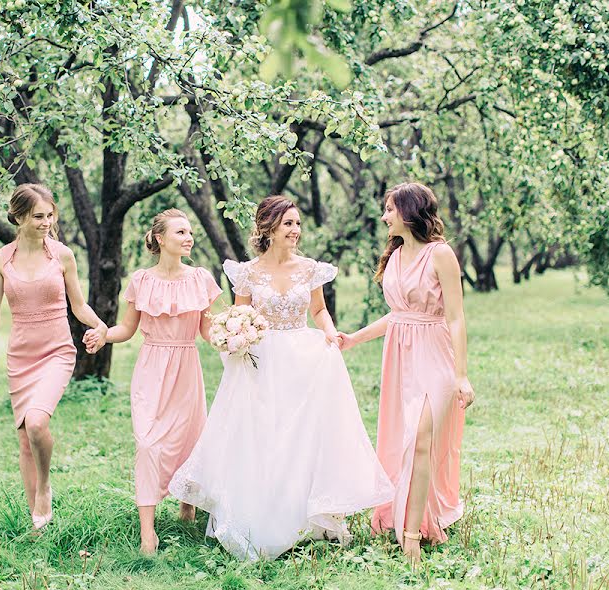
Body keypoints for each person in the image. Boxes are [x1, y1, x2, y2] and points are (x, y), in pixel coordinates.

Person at [169, 195, 393, 561]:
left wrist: (331, 332)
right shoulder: (247, 273)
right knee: (260, 434)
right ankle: (257, 515)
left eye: (298, 223)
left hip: (302, 358)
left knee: (300, 435)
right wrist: (235, 335)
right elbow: (240, 314)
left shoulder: (310, 269)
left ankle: (302, 516)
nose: (296, 230)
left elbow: (319, 310)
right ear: (269, 227)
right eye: (288, 223)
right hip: (259, 358)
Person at [339, 182, 475, 567]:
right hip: (399, 357)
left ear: (409, 211)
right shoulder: (395, 256)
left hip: (435, 355)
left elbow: (456, 316)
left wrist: (462, 375)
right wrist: (354, 339)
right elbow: (397, 314)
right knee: (402, 440)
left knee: (420, 438)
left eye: (389, 209)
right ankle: (403, 519)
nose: (384, 216)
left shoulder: (441, 254)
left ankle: (413, 536)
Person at [0, 184, 107, 530]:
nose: (47, 222)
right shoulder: (1, 259)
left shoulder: (61, 255)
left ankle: (44, 486)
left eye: (50, 215)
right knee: (25, 442)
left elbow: (78, 305)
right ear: (18, 217)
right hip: (20, 356)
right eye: (38, 216)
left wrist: (102, 327)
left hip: (57, 352)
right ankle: (37, 526)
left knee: (36, 423)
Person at [86, 209, 222, 554]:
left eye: (190, 232)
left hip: (187, 366)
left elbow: (208, 331)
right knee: (148, 444)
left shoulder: (201, 279)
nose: (189, 237)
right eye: (180, 232)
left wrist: (234, 337)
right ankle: (148, 532)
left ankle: (187, 505)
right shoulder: (142, 281)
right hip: (151, 367)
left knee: (190, 438)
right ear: (160, 239)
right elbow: (127, 329)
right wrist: (104, 335)